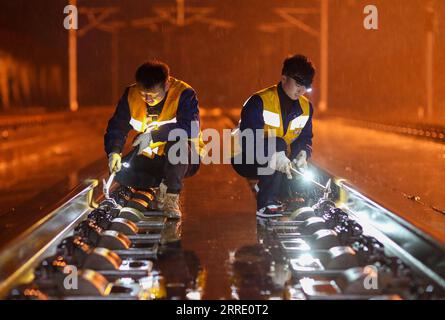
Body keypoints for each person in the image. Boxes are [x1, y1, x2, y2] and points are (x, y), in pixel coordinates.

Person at [104, 59, 204, 218]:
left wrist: (153, 136)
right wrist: (114, 152)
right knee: (122, 173)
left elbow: (189, 128)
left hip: (184, 157)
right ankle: (161, 182)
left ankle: (171, 196)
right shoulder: (131, 95)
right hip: (154, 157)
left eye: (153, 95)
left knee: (177, 142)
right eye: (143, 94)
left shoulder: (184, 94)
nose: (147, 99)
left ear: (166, 85)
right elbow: (118, 126)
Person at [231, 54, 315, 218]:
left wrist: (303, 154)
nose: (301, 91)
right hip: (244, 156)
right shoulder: (259, 101)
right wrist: (275, 154)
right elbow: (249, 139)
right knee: (278, 144)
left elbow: (306, 138)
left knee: (298, 167)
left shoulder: (306, 107)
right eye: (298, 84)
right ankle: (266, 203)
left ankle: (281, 192)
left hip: (278, 154)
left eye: (305, 87)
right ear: (284, 78)